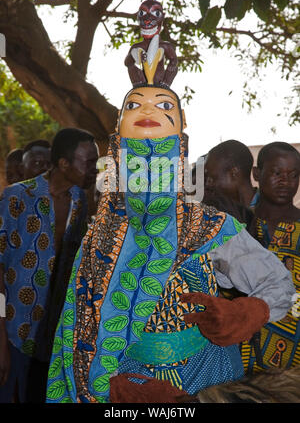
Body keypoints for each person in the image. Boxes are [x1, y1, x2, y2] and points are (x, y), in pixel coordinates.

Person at [45, 86, 296, 404]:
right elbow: (77, 331)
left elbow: (278, 283)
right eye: (135, 106)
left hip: (209, 378)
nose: (147, 111)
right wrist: (105, 386)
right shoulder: (101, 238)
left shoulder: (207, 227)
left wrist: (248, 312)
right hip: (128, 381)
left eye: (162, 107)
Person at [0, 127, 99, 403]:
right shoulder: (16, 198)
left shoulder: (80, 201)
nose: (95, 168)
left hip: (54, 338)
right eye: (88, 162)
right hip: (12, 334)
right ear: (64, 164)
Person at [240, 142, 300, 373]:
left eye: (293, 175)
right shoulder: (239, 225)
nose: (285, 181)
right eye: (277, 173)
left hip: (293, 359)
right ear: (257, 174)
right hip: (241, 349)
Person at [204, 140, 258, 209]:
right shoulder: (219, 211)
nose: (207, 184)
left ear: (234, 173)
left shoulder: (270, 210)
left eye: (212, 178)